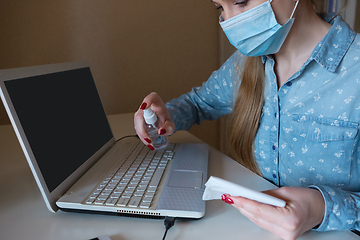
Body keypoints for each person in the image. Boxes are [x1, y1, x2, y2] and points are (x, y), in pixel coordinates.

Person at [134, 0, 360, 239]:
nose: (230, 21)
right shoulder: (244, 64)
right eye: (220, 8)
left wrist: (322, 208)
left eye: (240, 2)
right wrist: (164, 115)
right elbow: (198, 104)